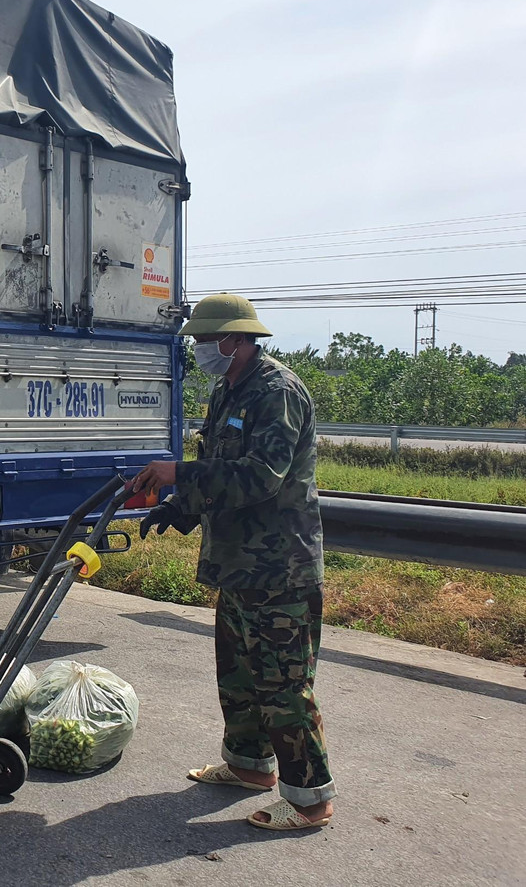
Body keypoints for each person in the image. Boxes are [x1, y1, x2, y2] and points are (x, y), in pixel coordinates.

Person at [130, 293, 335, 832]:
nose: (199, 350)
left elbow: (261, 476)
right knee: (239, 676)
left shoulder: (278, 392)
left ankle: (311, 799)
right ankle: (249, 767)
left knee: (283, 687)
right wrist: (179, 508)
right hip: (240, 565)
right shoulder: (229, 389)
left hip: (280, 569)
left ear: (235, 341)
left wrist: (181, 475)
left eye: (204, 340)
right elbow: (220, 465)